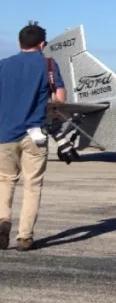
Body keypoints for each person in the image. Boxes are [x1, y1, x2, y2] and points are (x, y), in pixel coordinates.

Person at [0, 23, 66, 251]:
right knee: (32, 185)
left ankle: (3, 220)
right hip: (35, 134)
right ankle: (24, 237)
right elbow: (60, 98)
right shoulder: (48, 64)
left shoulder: (3, 65)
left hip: (5, 134)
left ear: (19, 43)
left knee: (5, 180)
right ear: (42, 45)